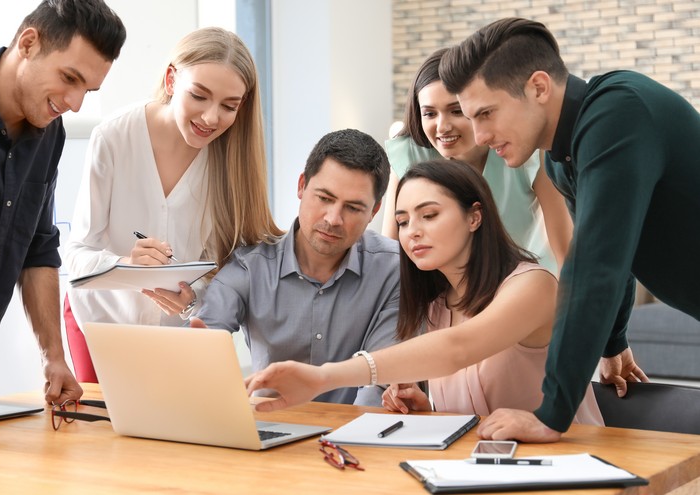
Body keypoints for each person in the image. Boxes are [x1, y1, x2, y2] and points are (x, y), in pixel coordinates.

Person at [436, 17, 700, 442]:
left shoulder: (618, 113)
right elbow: (612, 246)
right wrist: (613, 342)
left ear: (539, 87)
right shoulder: (561, 159)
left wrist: (551, 414)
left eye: (486, 113)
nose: (479, 136)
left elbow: (594, 267)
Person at [243, 159, 602, 426]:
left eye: (428, 215)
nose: (411, 231)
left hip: (569, 464)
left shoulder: (533, 286)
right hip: (482, 470)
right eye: (402, 221)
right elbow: (475, 413)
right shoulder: (435, 308)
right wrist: (429, 411)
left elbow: (457, 348)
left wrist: (325, 376)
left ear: (474, 217)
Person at [0, 0, 127, 448]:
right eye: (69, 78)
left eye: (88, 90)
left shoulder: (47, 134)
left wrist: (53, 355)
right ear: (29, 43)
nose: (74, 104)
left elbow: (37, 246)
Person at [64, 27, 282, 382]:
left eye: (229, 106)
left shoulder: (233, 163)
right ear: (171, 80)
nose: (211, 118)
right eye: (199, 96)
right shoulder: (114, 137)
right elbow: (75, 259)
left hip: (175, 337)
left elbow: (229, 272)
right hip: (99, 323)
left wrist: (192, 299)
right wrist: (125, 264)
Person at [184, 129, 400, 406]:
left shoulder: (393, 269)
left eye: (353, 208)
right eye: (324, 198)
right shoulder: (250, 266)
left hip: (357, 428)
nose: (333, 219)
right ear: (302, 186)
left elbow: (381, 378)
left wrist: (350, 432)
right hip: (269, 424)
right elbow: (208, 332)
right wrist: (199, 351)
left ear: (374, 211)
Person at [382, 48, 572, 275]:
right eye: (430, 114)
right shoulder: (410, 154)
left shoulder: (527, 151)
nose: (442, 127)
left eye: (456, 111)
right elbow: (390, 255)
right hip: (444, 287)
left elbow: (566, 249)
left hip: (520, 279)